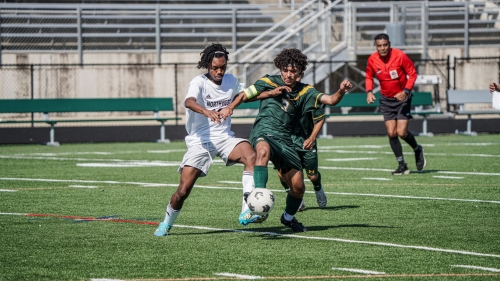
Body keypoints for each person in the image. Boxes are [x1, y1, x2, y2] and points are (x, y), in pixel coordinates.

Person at [154, 43, 279, 237]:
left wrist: (269, 93)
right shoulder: (199, 82)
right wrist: (206, 111)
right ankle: (166, 222)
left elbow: (244, 96)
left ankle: (246, 207)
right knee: (183, 190)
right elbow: (189, 101)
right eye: (215, 68)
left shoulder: (230, 80)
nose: (219, 71)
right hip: (201, 141)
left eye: (222, 67)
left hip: (224, 137)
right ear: (207, 65)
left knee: (250, 155)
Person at [221, 48, 353, 232]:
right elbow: (245, 94)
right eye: (285, 70)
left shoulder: (306, 91)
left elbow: (330, 100)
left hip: (285, 139)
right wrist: (230, 107)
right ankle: (258, 198)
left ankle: (288, 217)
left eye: (293, 71)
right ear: (280, 69)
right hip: (264, 130)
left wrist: (341, 90)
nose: (288, 75)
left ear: (300, 73)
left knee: (298, 187)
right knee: (262, 151)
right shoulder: (268, 81)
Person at [365, 33, 426, 175]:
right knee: (391, 133)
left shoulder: (399, 55)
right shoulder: (372, 59)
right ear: (376, 46)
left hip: (402, 98)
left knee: (401, 132)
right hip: (386, 100)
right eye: (379, 46)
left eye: (385, 45)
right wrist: (369, 92)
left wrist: (406, 91)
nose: (382, 48)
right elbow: (369, 76)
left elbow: (412, 73)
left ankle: (417, 149)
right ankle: (401, 165)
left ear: (389, 44)